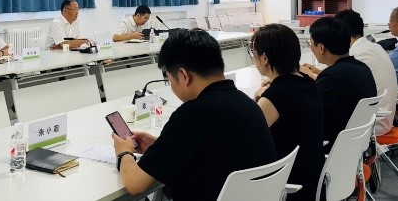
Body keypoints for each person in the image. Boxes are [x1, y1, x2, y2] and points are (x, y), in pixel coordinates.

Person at [112, 29, 276, 201]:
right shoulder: (247, 103)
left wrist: (124, 152)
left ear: (183, 75)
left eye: (170, 80)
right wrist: (160, 146)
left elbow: (135, 184)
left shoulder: (192, 115)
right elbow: (212, 148)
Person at [250, 24, 324, 201]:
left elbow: (247, 137)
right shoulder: (308, 83)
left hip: (289, 186)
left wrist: (259, 99)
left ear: (264, 58)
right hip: (314, 182)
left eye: (253, 53)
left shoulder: (274, 97)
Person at [300, 17, 377, 150]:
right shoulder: (361, 67)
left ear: (321, 47)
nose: (310, 47)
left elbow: (305, 110)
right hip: (356, 144)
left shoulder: (333, 76)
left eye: (310, 43)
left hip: (332, 146)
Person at [334, 9, 398, 136]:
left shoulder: (356, 53)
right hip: (384, 117)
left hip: (371, 124)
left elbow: (339, 84)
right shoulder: (374, 47)